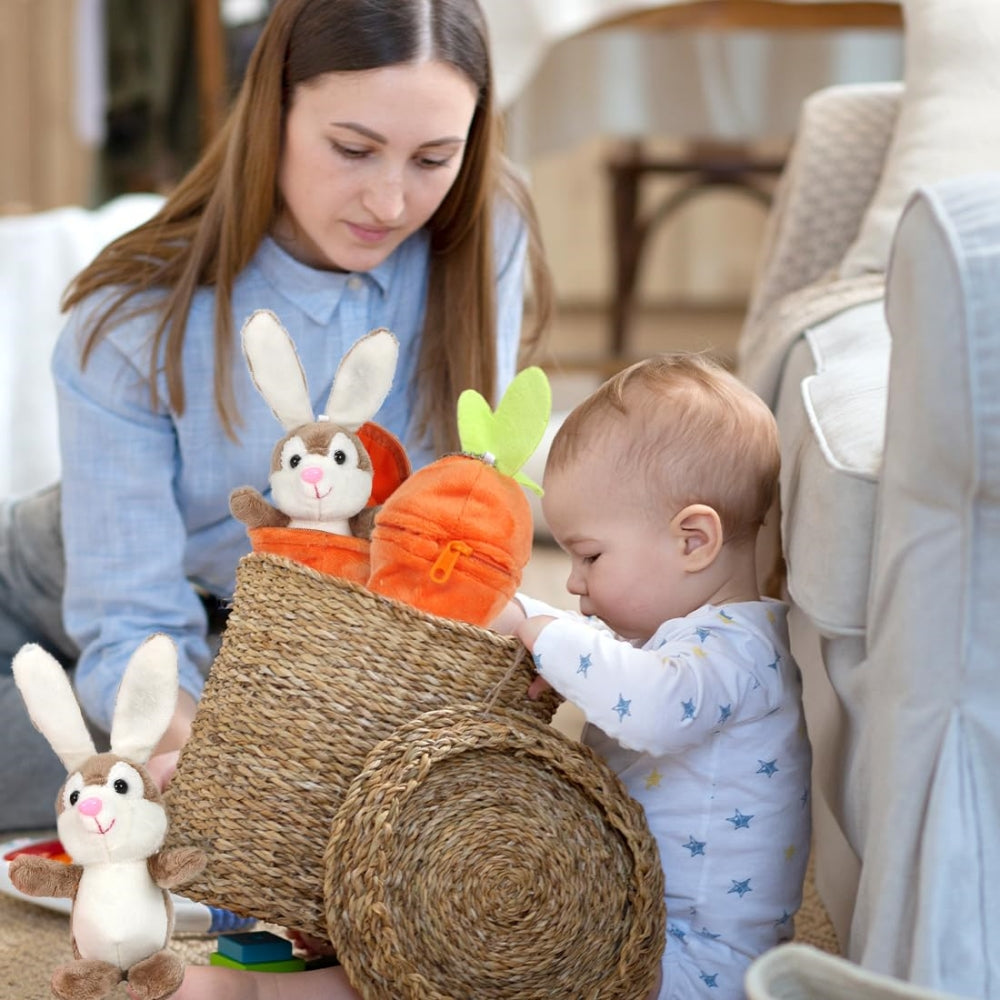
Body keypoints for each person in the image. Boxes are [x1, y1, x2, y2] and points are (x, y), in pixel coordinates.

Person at [0, 0, 552, 831]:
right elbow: (132, 621)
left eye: (434, 158)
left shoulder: (483, 232)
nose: (392, 201)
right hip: (68, 593)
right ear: (275, 110)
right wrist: (204, 760)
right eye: (352, 149)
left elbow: (453, 515)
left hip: (269, 638)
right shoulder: (132, 318)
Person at [503, 353, 812, 999]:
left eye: (588, 554)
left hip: (693, 962)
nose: (572, 579)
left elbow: (653, 706)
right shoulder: (684, 642)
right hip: (640, 926)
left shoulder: (741, 653)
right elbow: (617, 662)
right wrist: (526, 618)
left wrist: (546, 634)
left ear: (693, 541)